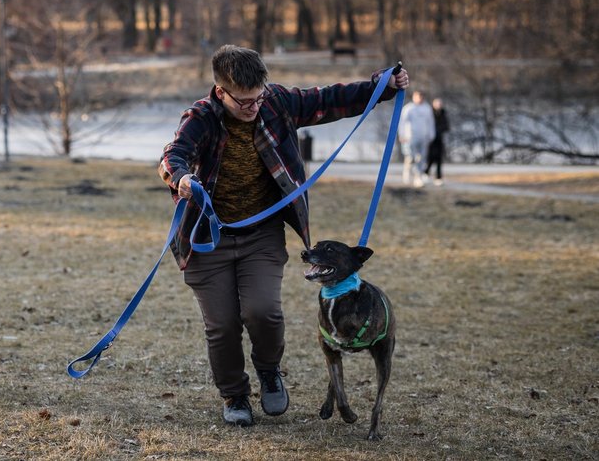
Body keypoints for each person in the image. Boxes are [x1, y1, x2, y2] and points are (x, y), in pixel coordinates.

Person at [158, 44, 408, 427]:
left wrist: (382, 86)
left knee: (264, 312)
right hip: (207, 237)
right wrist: (182, 178)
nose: (254, 106)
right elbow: (173, 154)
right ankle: (235, 395)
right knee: (222, 324)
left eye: (259, 97)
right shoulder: (201, 118)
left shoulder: (275, 103)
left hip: (261, 234)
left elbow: (328, 99)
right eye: (244, 102)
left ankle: (269, 371)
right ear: (220, 92)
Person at [398, 90, 435, 187]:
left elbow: (430, 122)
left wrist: (431, 134)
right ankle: (407, 174)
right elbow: (402, 123)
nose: (419, 98)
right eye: (418, 96)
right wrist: (402, 135)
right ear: (414, 97)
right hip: (410, 137)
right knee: (410, 157)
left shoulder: (427, 108)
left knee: (422, 157)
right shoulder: (408, 109)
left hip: (423, 136)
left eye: (421, 96)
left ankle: (418, 176)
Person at [425, 97, 449, 186]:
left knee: (439, 158)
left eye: (440, 104)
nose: (438, 105)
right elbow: (427, 124)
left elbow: (446, 126)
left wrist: (439, 131)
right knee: (431, 157)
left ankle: (438, 177)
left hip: (439, 139)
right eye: (437, 103)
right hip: (431, 139)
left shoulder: (443, 113)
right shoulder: (429, 113)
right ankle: (426, 172)